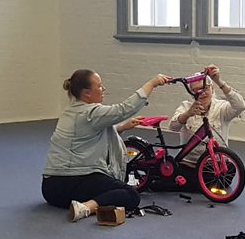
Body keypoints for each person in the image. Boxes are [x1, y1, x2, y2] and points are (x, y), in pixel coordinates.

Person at [42, 69, 171, 221]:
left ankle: (86, 204)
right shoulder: (91, 113)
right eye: (99, 86)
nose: (103, 89)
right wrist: (152, 83)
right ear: (87, 93)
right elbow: (124, 109)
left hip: (50, 190)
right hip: (72, 184)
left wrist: (122, 127)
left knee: (113, 189)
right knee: (130, 195)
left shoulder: (70, 112)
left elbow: (90, 134)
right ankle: (86, 207)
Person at [162, 65, 245, 191]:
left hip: (214, 165)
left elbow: (240, 106)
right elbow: (173, 127)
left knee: (230, 170)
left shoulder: (222, 108)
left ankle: (190, 184)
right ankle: (200, 185)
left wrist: (219, 81)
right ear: (191, 93)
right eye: (196, 90)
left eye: (205, 89)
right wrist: (188, 114)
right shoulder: (186, 106)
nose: (201, 93)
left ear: (212, 89)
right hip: (189, 164)